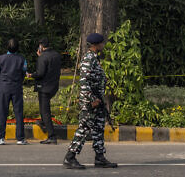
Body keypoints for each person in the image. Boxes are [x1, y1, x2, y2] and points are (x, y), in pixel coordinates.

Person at [63, 33, 117, 169]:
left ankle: (100, 158)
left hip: (97, 101)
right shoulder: (88, 59)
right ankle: (70, 157)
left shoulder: (94, 58)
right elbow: (84, 81)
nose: (103, 45)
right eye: (102, 43)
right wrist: (92, 99)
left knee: (98, 128)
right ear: (96, 45)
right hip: (90, 102)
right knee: (84, 128)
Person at [27, 37, 61, 144]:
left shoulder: (42, 57)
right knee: (44, 110)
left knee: (45, 111)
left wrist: (31, 75)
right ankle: (43, 122)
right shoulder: (56, 55)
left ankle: (52, 136)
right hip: (53, 86)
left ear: (41, 46)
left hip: (44, 87)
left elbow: (40, 73)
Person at [0, 38, 28, 145]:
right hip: (17, 87)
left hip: (4, 87)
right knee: (18, 113)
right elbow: (24, 72)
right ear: (18, 47)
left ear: (7, 47)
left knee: (2, 112)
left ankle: (0, 138)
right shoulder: (22, 59)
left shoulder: (0, 58)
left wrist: (2, 81)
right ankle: (20, 138)